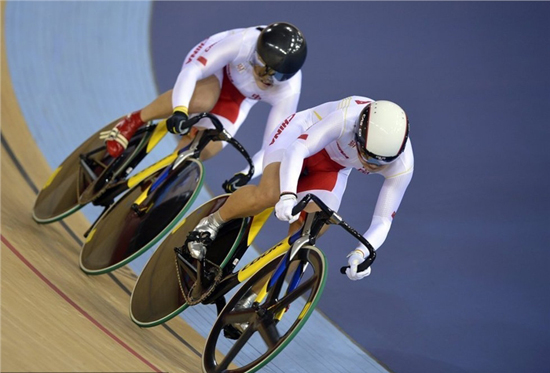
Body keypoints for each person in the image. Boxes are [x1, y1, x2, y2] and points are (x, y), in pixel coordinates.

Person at [187, 97, 414, 280]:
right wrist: (287, 195)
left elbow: (383, 221)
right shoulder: (347, 118)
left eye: (380, 163)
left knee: (313, 229)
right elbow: (298, 149)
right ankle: (211, 223)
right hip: (299, 136)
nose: (371, 165)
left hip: (332, 168)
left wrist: (360, 253)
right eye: (367, 156)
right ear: (358, 133)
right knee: (269, 194)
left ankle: (261, 292)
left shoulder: (403, 166)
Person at [100, 22, 307, 186]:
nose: (266, 78)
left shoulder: (288, 89)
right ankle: (135, 119)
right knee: (202, 101)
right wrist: (180, 110)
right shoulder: (243, 42)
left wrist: (246, 173)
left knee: (205, 149)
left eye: (277, 76)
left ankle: (159, 179)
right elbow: (192, 71)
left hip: (237, 100)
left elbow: (274, 144)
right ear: (256, 54)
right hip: (216, 70)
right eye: (262, 68)